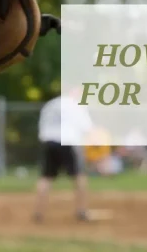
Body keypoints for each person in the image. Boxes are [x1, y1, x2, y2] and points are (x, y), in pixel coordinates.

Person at [33, 88, 93, 223]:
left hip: (49, 142)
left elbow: (42, 126)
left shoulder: (50, 105)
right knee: (79, 176)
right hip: (68, 141)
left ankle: (38, 212)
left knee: (46, 177)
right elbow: (87, 128)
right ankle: (81, 211)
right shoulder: (76, 105)